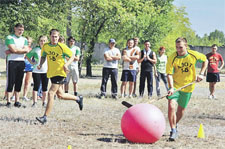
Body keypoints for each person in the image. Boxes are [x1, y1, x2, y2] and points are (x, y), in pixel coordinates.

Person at [36, 29, 83, 124]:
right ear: (50, 36)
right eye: (53, 36)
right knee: (60, 95)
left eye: (56, 36)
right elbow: (44, 56)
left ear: (58, 37)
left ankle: (45, 117)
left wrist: (66, 65)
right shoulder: (46, 46)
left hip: (60, 72)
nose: (54, 38)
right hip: (51, 73)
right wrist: (40, 64)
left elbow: (72, 56)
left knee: (51, 93)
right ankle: (78, 98)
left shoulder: (62, 46)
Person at [166, 37, 208, 141]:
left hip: (188, 87)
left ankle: (175, 125)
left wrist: (202, 74)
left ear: (186, 46)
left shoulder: (193, 55)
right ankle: (173, 130)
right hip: (175, 86)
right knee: (171, 106)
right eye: (176, 47)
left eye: (180, 47)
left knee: (181, 111)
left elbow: (205, 60)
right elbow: (169, 74)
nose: (178, 50)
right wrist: (171, 88)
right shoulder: (172, 57)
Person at [4, 23, 29, 107]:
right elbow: (13, 49)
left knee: (19, 81)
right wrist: (17, 50)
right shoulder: (10, 37)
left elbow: (26, 50)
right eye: (19, 29)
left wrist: (15, 50)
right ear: (15, 29)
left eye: (22, 30)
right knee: (11, 81)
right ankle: (8, 101)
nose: (20, 31)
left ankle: (17, 101)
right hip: (12, 61)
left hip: (21, 61)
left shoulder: (24, 39)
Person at [26, 35, 49, 107]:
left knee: (45, 87)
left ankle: (44, 102)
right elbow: (27, 56)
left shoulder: (48, 49)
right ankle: (34, 102)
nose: (42, 42)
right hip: (36, 71)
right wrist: (32, 63)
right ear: (38, 42)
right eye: (41, 41)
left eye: (44, 41)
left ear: (46, 41)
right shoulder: (35, 49)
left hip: (46, 71)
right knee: (36, 86)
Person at [22, 36, 33, 101]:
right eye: (27, 42)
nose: (28, 43)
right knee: (19, 81)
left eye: (29, 42)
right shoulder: (21, 48)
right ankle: (14, 95)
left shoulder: (31, 50)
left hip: (29, 66)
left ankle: (25, 95)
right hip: (22, 65)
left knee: (27, 82)